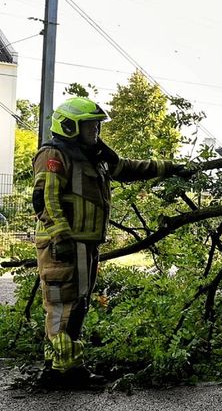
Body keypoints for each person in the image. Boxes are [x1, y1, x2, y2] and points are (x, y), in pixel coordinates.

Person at [32, 97, 188, 387]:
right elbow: (46, 199)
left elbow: (126, 168)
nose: (96, 131)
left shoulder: (93, 155)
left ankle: (64, 367)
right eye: (90, 125)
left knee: (76, 304)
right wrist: (61, 236)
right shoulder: (55, 155)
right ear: (69, 127)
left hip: (85, 243)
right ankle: (59, 372)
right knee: (61, 306)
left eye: (97, 125)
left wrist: (169, 168)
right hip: (65, 243)